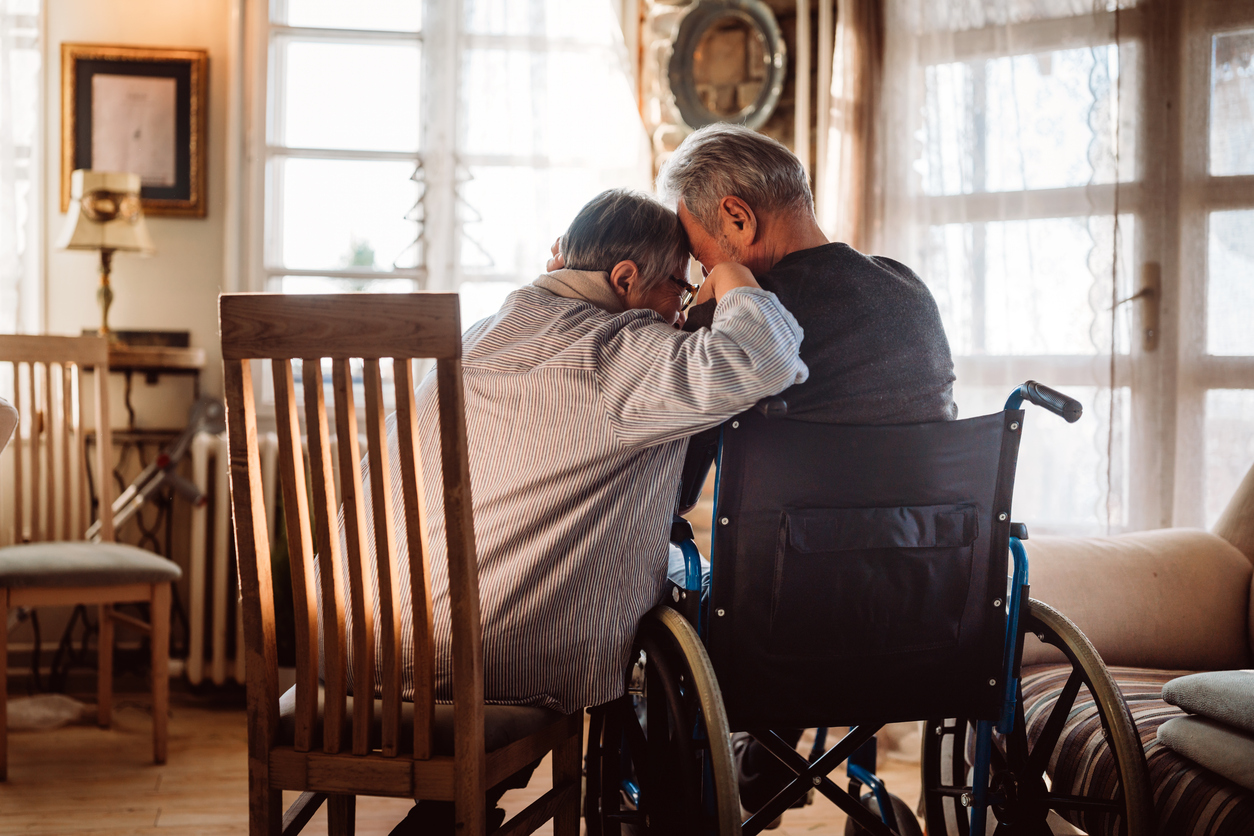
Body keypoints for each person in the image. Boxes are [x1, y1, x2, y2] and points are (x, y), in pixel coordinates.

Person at [330, 188, 809, 834]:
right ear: (625, 280)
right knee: (602, 610)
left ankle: (444, 815)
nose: (683, 310)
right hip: (474, 665)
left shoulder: (480, 333)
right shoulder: (619, 354)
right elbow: (767, 355)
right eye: (680, 287)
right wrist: (731, 276)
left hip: (356, 642)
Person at [656, 123, 958, 823]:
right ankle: (769, 771)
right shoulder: (911, 293)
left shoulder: (743, 325)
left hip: (786, 619)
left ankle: (702, 796)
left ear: (736, 217)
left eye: (702, 257)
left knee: (662, 578)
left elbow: (678, 488)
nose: (703, 278)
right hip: (928, 602)